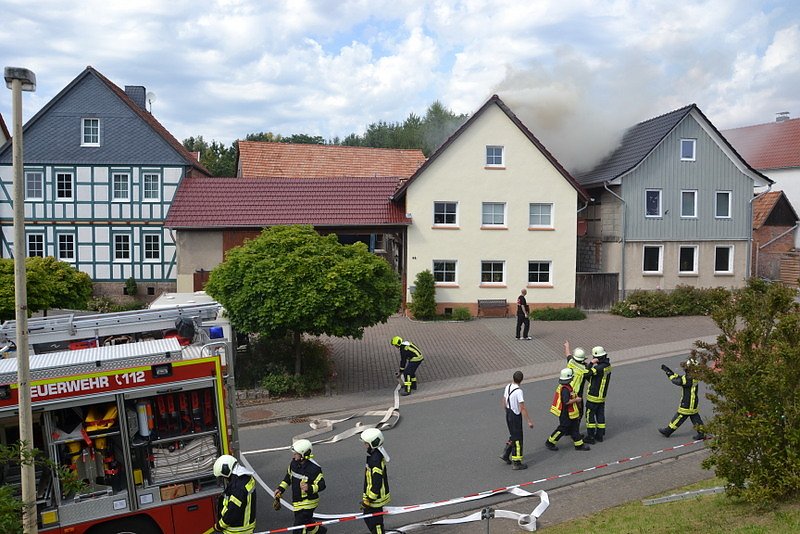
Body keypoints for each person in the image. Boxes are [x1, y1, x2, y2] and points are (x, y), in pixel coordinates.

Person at [273, 439, 327, 534]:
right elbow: (288, 478)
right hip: (297, 502)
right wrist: (280, 489)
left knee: (298, 527)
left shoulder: (314, 468)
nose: (293, 455)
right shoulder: (293, 464)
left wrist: (309, 488)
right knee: (307, 523)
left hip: (308, 503)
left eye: (296, 453)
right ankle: (320, 531)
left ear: (303, 455)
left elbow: (322, 485)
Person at [658, 358, 706, 440]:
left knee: (680, 416)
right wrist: (670, 371)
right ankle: (701, 433)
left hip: (687, 402)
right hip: (693, 402)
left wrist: (668, 372)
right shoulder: (693, 377)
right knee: (695, 417)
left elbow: (676, 381)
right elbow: (679, 377)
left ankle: (668, 431)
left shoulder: (688, 379)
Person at [545, 368, 591, 451]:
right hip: (565, 412)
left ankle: (579, 445)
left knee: (574, 427)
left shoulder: (565, 387)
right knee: (563, 428)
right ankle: (550, 442)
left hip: (569, 412)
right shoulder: (565, 389)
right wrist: (576, 400)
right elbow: (566, 402)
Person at [212, 454, 257, 534]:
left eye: (223, 477)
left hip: (237, 530)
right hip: (246, 527)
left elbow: (233, 511)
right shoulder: (246, 477)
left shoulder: (237, 488)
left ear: (226, 471)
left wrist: (220, 525)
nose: (224, 479)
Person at [499, 370, 535, 470]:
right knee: (518, 439)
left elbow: (504, 400)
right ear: (521, 380)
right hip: (515, 416)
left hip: (509, 413)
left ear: (513, 378)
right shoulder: (519, 391)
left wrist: (506, 411)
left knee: (513, 435)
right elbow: (522, 407)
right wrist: (529, 421)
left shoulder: (508, 386)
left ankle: (506, 454)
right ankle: (517, 462)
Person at [360, 428, 391, 534]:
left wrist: (370, 499)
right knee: (369, 517)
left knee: (375, 522)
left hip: (375, 498)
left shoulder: (375, 460)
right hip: (373, 497)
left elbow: (377, 481)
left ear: (372, 443)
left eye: (366, 443)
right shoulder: (376, 454)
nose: (364, 445)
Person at [584, 346, 612, 444]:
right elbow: (594, 378)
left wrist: (591, 364)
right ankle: (600, 435)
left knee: (589, 417)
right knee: (600, 416)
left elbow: (586, 374)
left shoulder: (598, 368)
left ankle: (590, 437)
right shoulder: (607, 365)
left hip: (593, 397)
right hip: (601, 397)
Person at [564, 341, 590, 422]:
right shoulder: (585, 368)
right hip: (578, 393)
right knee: (579, 412)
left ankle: (568, 429)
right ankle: (575, 431)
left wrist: (567, 346)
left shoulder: (571, 362)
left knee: (568, 410)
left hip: (567, 390)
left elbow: (568, 354)